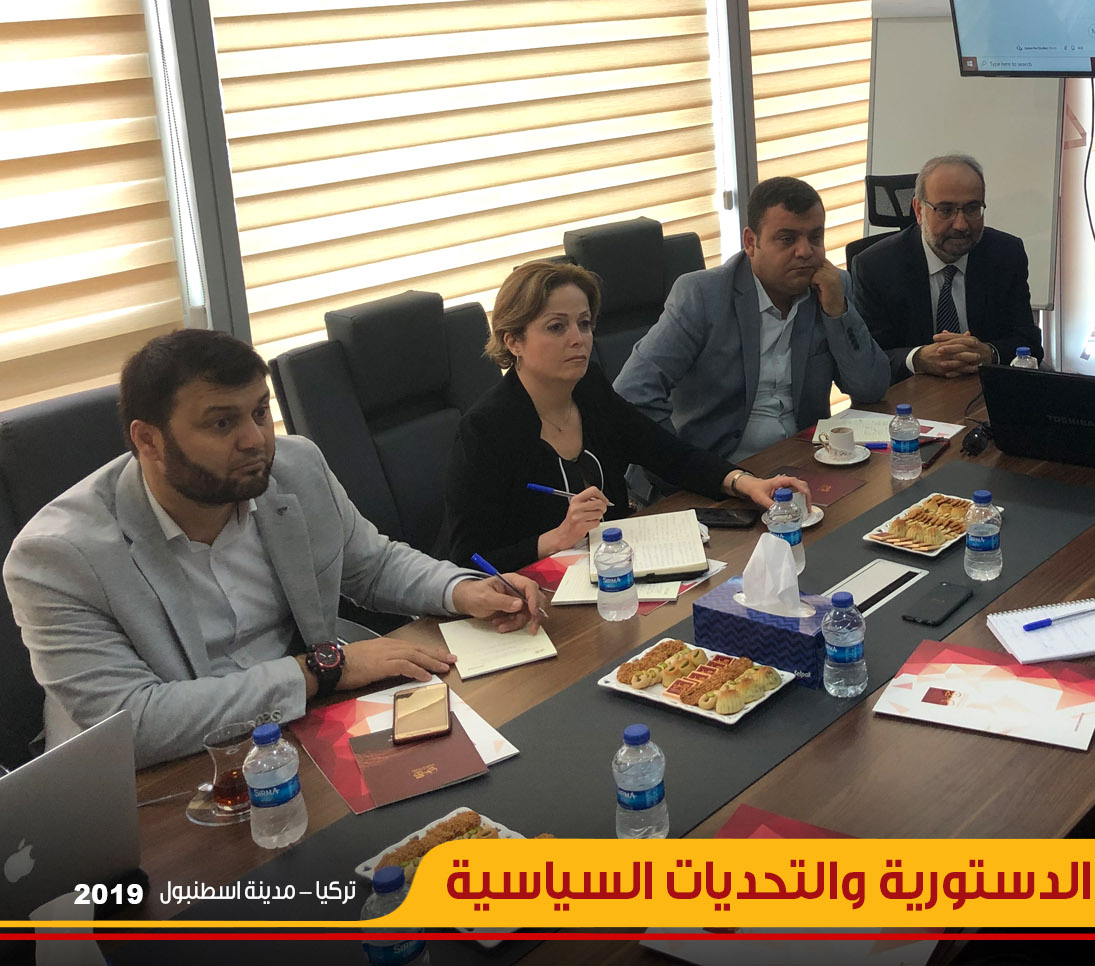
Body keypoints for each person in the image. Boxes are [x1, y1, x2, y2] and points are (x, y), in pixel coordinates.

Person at [2, 331, 543, 768]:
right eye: (222, 422)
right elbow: (132, 724)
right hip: (165, 774)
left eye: (259, 412)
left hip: (302, 728)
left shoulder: (295, 466)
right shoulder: (57, 557)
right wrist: (320, 671)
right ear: (148, 440)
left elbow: (372, 564)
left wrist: (462, 589)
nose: (255, 440)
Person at [438, 261, 809, 573]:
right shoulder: (485, 430)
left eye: (584, 323)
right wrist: (557, 538)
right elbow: (468, 559)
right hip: (537, 600)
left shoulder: (589, 389)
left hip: (618, 574)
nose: (578, 338)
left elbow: (669, 454)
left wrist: (746, 483)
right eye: (557, 326)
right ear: (513, 341)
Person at [614, 176, 890, 462]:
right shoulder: (702, 295)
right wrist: (683, 465)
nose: (805, 251)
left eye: (815, 237)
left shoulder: (831, 288)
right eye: (787, 239)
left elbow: (870, 388)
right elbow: (631, 393)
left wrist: (838, 312)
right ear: (750, 242)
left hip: (805, 463)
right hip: (721, 469)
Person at [852, 154, 1042, 381]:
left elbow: (1029, 342)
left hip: (983, 387)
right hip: (912, 394)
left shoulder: (1005, 254)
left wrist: (989, 353)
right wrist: (917, 359)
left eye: (972, 208)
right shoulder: (875, 267)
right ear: (919, 210)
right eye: (945, 210)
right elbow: (866, 360)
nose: (961, 225)